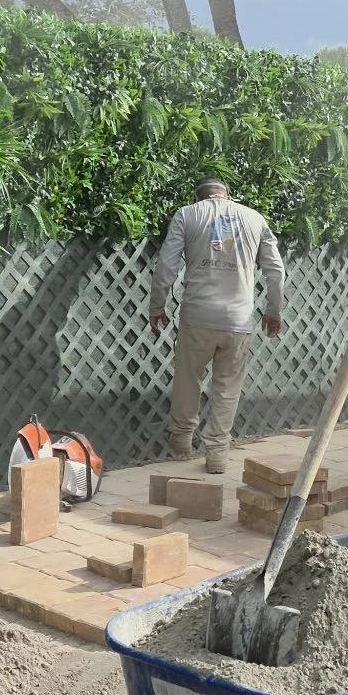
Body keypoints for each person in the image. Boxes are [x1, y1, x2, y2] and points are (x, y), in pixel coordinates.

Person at [149, 177, 285, 474]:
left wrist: (157, 307)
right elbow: (275, 271)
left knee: (188, 378)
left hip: (197, 315)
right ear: (227, 195)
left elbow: (166, 267)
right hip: (238, 320)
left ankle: (182, 445)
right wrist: (273, 312)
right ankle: (217, 455)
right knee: (227, 387)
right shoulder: (255, 218)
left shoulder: (188, 214)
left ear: (199, 196)